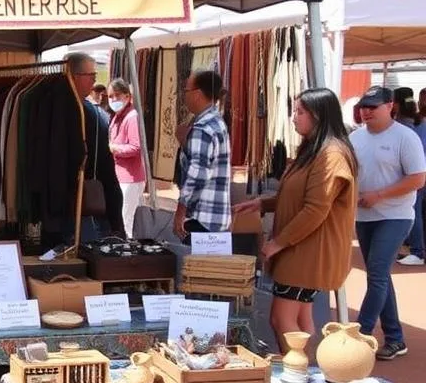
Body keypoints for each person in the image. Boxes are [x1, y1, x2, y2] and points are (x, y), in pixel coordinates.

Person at [234, 88, 357, 351]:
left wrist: (278, 243)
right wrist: (263, 203)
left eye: (300, 112)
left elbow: (315, 209)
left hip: (307, 253)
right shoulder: (314, 149)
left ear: (319, 115)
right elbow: (297, 195)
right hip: (302, 250)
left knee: (282, 319)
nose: (293, 118)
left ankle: (297, 371)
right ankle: (305, 371)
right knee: (300, 318)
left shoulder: (331, 154)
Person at [349, 86, 426, 360]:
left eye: (373, 106)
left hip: (395, 216)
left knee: (377, 274)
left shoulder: (405, 137)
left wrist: (379, 195)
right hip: (364, 217)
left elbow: (418, 178)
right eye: (364, 107)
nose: (366, 111)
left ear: (390, 106)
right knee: (379, 277)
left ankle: (360, 334)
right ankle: (395, 338)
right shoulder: (355, 138)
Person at [66, 53, 125, 238]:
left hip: (86, 203)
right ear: (74, 76)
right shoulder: (88, 114)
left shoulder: (93, 113)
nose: (93, 80)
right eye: (91, 75)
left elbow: (106, 168)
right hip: (79, 205)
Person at [174, 70, 231, 241]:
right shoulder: (215, 121)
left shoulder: (203, 127)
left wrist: (180, 211)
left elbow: (198, 173)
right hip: (214, 217)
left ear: (197, 94)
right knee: (212, 267)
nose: (184, 96)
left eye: (186, 91)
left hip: (202, 219)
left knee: (198, 266)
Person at [107, 78, 145, 238]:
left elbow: (136, 147)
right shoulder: (117, 117)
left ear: (127, 96)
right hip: (120, 175)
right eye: (110, 96)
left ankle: (128, 257)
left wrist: (114, 148)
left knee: (126, 221)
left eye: (117, 95)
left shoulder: (131, 117)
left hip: (130, 177)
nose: (113, 100)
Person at [395, 88, 426, 266]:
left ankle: (417, 251)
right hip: (417, 173)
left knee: (414, 212)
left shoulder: (406, 124)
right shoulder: (416, 121)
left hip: (415, 174)